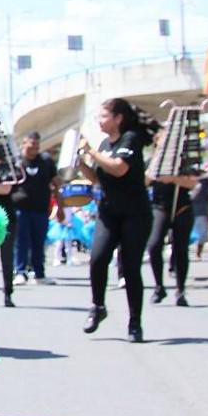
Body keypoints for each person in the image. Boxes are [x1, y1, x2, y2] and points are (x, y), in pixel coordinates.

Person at [78, 98, 159, 343]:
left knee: (130, 266)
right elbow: (98, 178)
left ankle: (135, 322)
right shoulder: (104, 143)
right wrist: (82, 161)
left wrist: (91, 151)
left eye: (103, 116)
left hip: (135, 213)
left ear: (118, 118)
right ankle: (98, 306)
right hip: (109, 213)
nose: (99, 121)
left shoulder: (130, 139)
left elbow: (119, 168)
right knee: (97, 259)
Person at [145, 130, 197, 307]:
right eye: (162, 142)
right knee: (154, 245)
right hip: (160, 207)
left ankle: (180, 290)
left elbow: (193, 182)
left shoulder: (183, 162)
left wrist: (174, 178)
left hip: (182, 207)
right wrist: (155, 163)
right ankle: (159, 287)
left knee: (181, 248)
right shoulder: (152, 162)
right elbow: (144, 182)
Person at [10, 132, 59, 286]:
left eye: (37, 145)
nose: (34, 148)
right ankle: (20, 272)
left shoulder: (46, 161)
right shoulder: (15, 162)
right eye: (32, 144)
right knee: (21, 241)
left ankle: (39, 273)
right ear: (24, 144)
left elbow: (56, 183)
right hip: (20, 209)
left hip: (41, 209)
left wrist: (60, 206)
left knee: (39, 242)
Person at [192, 169, 208, 259]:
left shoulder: (206, 182)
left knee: (201, 234)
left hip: (201, 211)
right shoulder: (204, 182)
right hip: (194, 210)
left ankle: (198, 253)